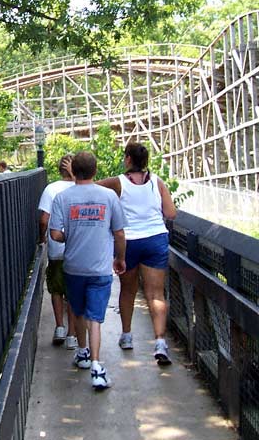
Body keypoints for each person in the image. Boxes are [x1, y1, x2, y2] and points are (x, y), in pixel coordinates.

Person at [50, 151, 126, 390]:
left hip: (73, 266)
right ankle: (96, 365)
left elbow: (54, 234)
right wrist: (120, 258)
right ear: (94, 171)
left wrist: (70, 234)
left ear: (75, 170)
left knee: (78, 311)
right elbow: (120, 233)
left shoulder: (62, 197)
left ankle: (82, 353)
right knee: (95, 318)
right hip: (100, 267)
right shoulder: (109, 196)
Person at [97, 142, 177, 365]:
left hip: (129, 242)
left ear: (128, 159)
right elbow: (171, 213)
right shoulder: (157, 183)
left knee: (128, 290)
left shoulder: (117, 182)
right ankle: (160, 341)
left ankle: (127, 335)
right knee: (156, 295)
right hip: (155, 239)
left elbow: (90, 188)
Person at [38, 155, 78, 349]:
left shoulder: (51, 189)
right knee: (72, 291)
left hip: (56, 247)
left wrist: (42, 238)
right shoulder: (83, 187)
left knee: (56, 288)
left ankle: (59, 328)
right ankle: (72, 335)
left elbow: (44, 219)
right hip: (78, 248)